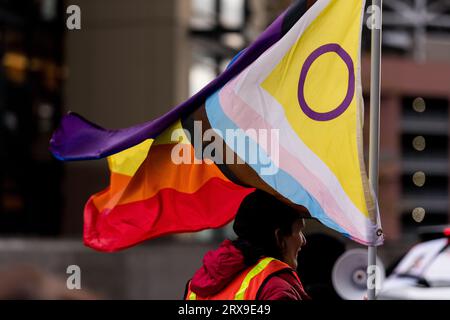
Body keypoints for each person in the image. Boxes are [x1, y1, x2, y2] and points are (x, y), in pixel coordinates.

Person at [184, 190, 310, 300]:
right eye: (299, 231)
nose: (303, 240)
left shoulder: (195, 289)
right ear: (279, 237)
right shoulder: (276, 289)